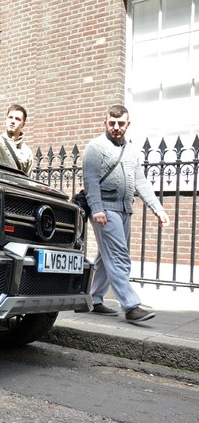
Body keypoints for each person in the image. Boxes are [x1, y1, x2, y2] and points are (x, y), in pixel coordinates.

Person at [82, 104, 169, 322]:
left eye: (121, 123)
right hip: (106, 211)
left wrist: (157, 208)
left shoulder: (130, 151)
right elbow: (90, 181)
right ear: (105, 123)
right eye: (112, 123)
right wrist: (97, 208)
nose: (116, 127)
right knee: (119, 256)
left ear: (128, 124)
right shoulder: (95, 147)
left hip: (124, 211)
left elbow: (141, 182)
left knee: (106, 257)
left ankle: (94, 299)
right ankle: (131, 306)